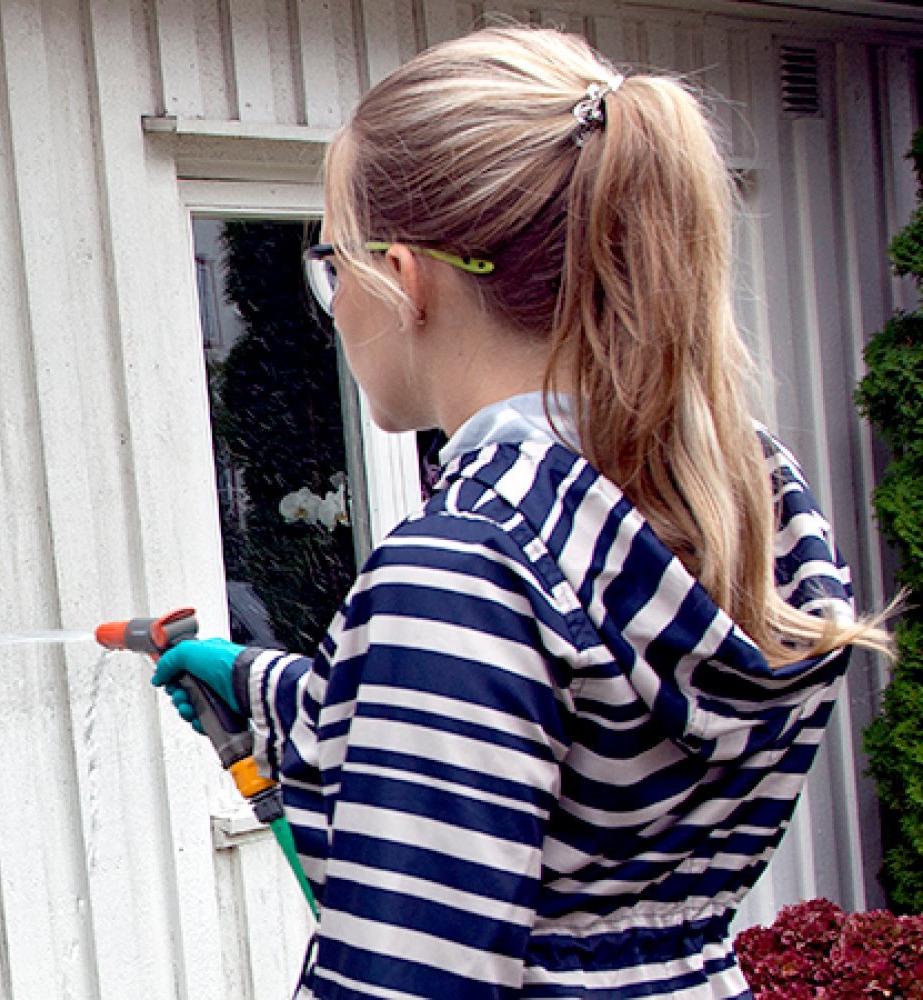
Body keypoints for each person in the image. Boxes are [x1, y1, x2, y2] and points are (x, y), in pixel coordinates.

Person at [153, 25, 894, 998]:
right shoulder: (742, 500)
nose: (332, 305)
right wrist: (263, 688)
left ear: (404, 277)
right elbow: (565, 742)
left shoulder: (465, 561)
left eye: (332, 263)